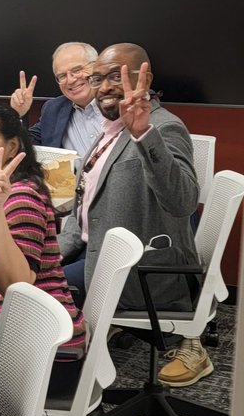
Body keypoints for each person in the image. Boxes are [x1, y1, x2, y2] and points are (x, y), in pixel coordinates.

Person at [59, 44, 206, 386]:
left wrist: (143, 134)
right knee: (24, 274)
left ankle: (69, 390)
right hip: (91, 250)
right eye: (98, 78)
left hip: (133, 270)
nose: (106, 86)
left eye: (116, 76)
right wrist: (45, 254)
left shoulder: (163, 127)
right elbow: (82, 212)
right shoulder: (108, 131)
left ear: (146, 78)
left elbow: (182, 201)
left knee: (34, 297)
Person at [0, 101, 86, 377]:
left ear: (13, 147)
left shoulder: (20, 197)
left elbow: (17, 284)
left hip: (42, 347)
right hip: (19, 329)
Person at [8, 41, 102, 156]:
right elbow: (26, 145)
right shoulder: (54, 109)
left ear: (97, 67)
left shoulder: (120, 103)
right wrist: (18, 114)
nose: (71, 80)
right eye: (62, 76)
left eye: (77, 70)